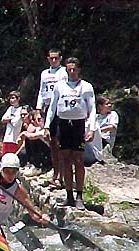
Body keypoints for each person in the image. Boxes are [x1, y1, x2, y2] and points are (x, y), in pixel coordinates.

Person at [44, 57, 96, 210]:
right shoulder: (59, 86)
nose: (71, 72)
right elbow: (52, 108)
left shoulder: (86, 87)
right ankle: (69, 196)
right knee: (65, 159)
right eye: (69, 69)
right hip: (63, 124)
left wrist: (91, 128)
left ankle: (79, 195)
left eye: (74, 69)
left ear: (79, 69)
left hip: (78, 125)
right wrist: (47, 126)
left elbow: (92, 109)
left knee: (78, 160)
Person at [0, 153, 49, 230]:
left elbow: (33, 212)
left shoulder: (18, 190)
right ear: (1, 169)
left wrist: (42, 218)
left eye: (13, 171)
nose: (10, 175)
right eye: (7, 171)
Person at [36, 49, 68, 188]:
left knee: (61, 144)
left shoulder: (64, 72)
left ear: (60, 58)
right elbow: (41, 91)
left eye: (56, 58)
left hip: (61, 108)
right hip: (48, 108)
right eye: (51, 58)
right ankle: (55, 174)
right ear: (48, 59)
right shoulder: (44, 73)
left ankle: (63, 175)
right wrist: (38, 109)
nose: (54, 61)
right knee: (53, 143)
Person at [17, 110, 51, 177]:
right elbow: (20, 142)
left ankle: (40, 166)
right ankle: (34, 165)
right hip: (45, 154)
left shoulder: (46, 130)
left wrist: (23, 134)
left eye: (39, 119)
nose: (34, 121)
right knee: (28, 140)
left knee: (32, 139)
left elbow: (32, 136)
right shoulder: (38, 128)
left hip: (51, 156)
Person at [1, 91, 23, 156]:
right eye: (10, 98)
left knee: (12, 157)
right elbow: (3, 120)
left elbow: (15, 123)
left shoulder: (21, 110)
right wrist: (11, 119)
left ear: (18, 99)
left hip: (14, 139)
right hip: (7, 138)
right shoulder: (10, 109)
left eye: (13, 98)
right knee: (4, 156)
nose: (11, 100)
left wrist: (9, 119)